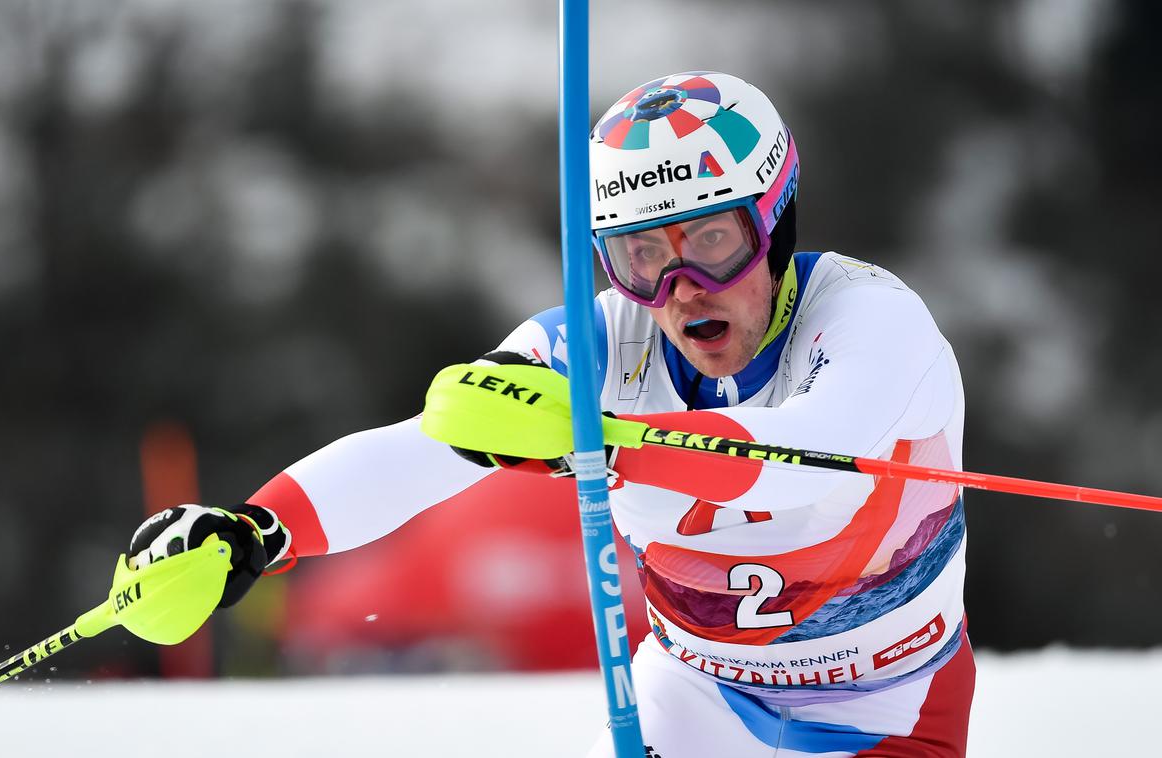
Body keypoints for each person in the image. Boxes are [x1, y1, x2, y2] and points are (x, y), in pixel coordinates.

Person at [129, 72, 973, 757]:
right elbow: (432, 442)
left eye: (713, 241)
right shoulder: (606, 338)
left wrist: (599, 440)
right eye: (642, 257)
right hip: (697, 705)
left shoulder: (869, 317)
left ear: (776, 221)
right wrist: (256, 530)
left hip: (886, 710)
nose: (681, 294)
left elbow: (799, 459)